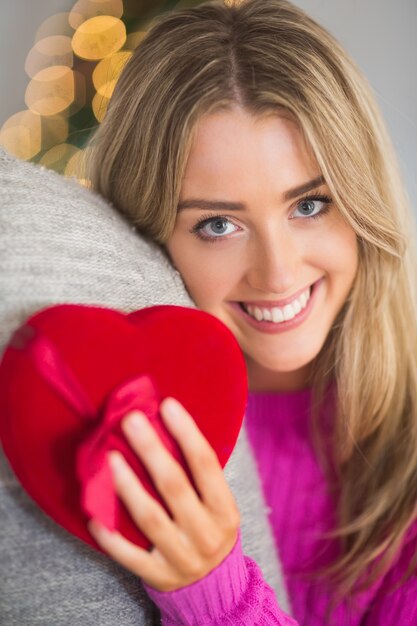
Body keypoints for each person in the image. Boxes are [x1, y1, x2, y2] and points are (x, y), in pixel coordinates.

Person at [86, 0, 417, 623]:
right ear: (146, 233)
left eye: (310, 205)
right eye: (219, 223)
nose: (279, 272)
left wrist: (215, 595)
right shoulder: (126, 428)